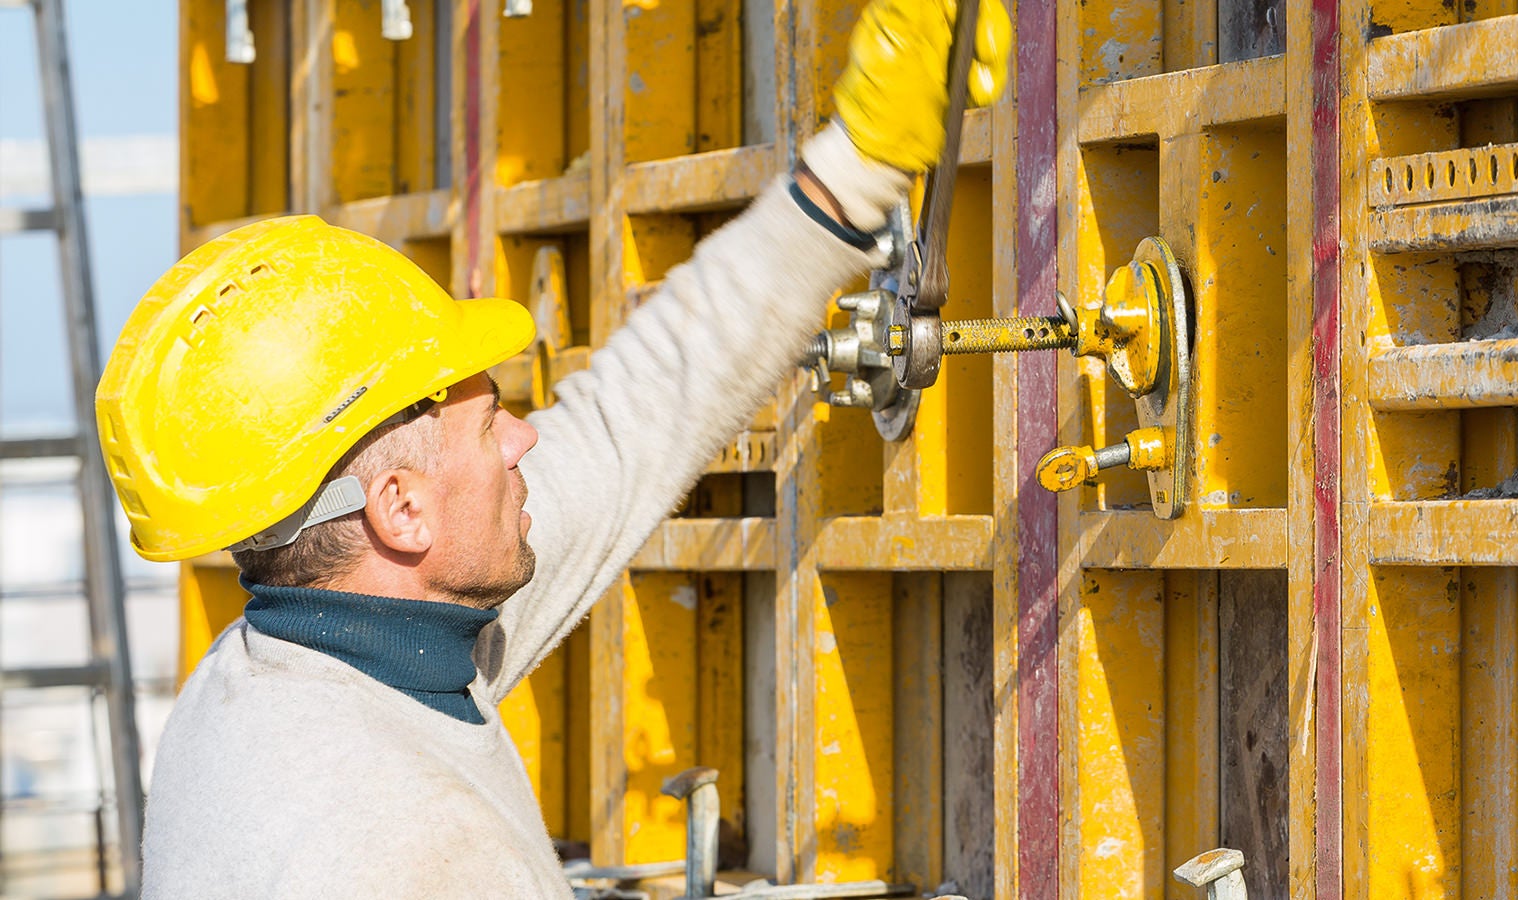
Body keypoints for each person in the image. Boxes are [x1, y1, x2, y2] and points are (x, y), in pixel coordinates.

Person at [96, 0, 1009, 895]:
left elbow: (634, 418)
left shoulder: (276, 680)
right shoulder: (412, 850)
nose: (530, 436)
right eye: (491, 423)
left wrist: (857, 164)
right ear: (400, 507)